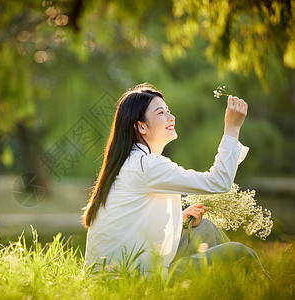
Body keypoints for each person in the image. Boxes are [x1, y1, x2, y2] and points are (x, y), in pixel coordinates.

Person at [82, 83, 262, 280]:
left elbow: (132, 224)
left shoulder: (132, 162)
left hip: (112, 273)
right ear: (140, 126)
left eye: (168, 111)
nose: (171, 117)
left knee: (205, 229)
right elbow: (219, 182)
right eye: (161, 113)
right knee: (240, 255)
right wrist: (232, 128)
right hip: (130, 279)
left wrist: (179, 220)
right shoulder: (147, 165)